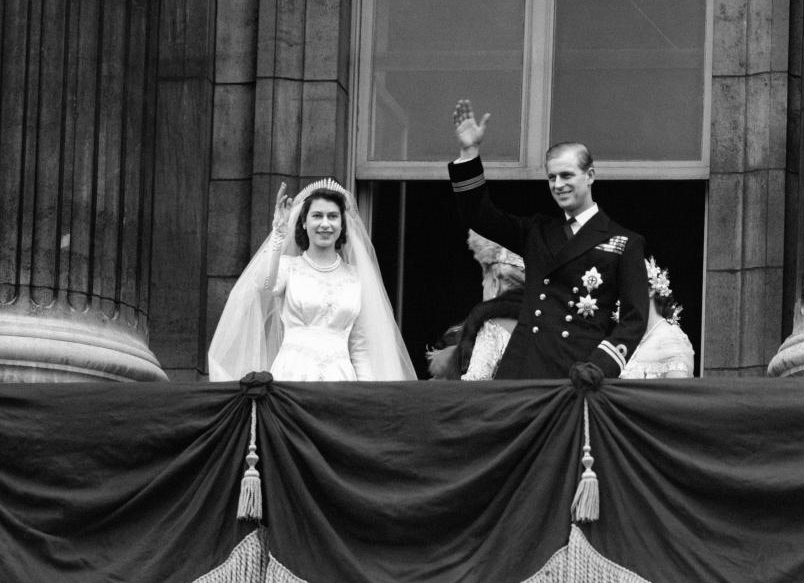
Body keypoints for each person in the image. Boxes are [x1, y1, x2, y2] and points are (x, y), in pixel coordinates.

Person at [447, 99, 649, 379]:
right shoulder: (537, 231)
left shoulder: (623, 242)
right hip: (521, 370)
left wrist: (598, 367)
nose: (558, 185)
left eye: (567, 175)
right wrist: (469, 152)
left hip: (576, 375)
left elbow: (634, 320)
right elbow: (480, 217)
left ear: (590, 175)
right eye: (551, 177)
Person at [208, 179, 416, 381]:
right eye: (317, 216)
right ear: (304, 223)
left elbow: (360, 346)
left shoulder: (356, 277)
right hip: (292, 375)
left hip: (340, 379)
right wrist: (278, 233)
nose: (325, 224)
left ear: (342, 225)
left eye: (333, 216)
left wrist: (363, 394)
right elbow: (264, 284)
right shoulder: (289, 267)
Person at [426, 231, 525, 380]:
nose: (482, 284)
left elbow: (474, 385)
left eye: (485, 278)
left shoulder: (492, 327)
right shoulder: (544, 322)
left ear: (495, 283)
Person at [620, 256, 695, 379]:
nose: (624, 296)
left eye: (630, 288)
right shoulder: (629, 338)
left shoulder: (670, 339)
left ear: (650, 290)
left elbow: (678, 394)